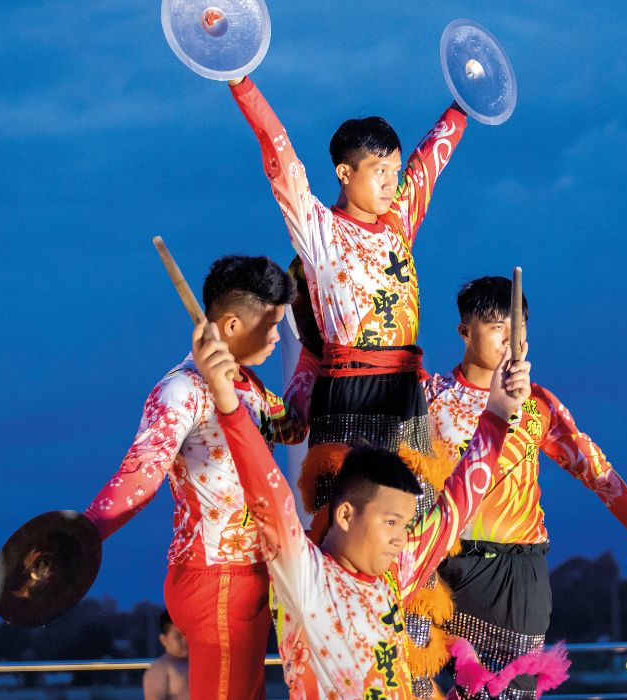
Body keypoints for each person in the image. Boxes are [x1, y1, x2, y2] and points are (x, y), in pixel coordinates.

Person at [228, 74, 471, 694]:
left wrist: (463, 105)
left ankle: (409, 679)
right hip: (350, 397)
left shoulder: (399, 221)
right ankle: (336, 668)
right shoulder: (319, 233)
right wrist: (241, 78)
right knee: (349, 527)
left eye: (393, 170)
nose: (392, 181)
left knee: (410, 535)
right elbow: (279, 157)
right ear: (344, 172)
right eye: (377, 171)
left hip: (405, 396)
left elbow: (431, 163)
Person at [194, 313, 534, 700]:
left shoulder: (393, 573)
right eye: (391, 522)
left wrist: (499, 411)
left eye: (405, 524)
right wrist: (227, 402)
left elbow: (456, 503)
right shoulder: (306, 577)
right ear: (345, 514)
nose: (401, 537)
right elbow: (268, 495)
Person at [84, 255, 310, 700]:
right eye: (271, 325)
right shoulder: (182, 388)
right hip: (218, 578)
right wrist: (85, 532)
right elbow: (142, 472)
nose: (274, 337)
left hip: (247, 576)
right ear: (228, 326)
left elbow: (295, 426)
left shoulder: (249, 387)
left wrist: (318, 342)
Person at [425, 276, 627, 700]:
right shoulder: (431, 398)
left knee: (511, 692)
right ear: (464, 331)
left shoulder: (539, 404)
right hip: (444, 570)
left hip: (518, 577)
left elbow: (595, 470)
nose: (509, 339)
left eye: (519, 327)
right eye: (496, 327)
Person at [144, 610, 190, 700]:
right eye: (178, 637)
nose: (185, 641)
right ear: (164, 640)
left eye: (187, 635)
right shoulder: (160, 668)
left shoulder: (199, 663)